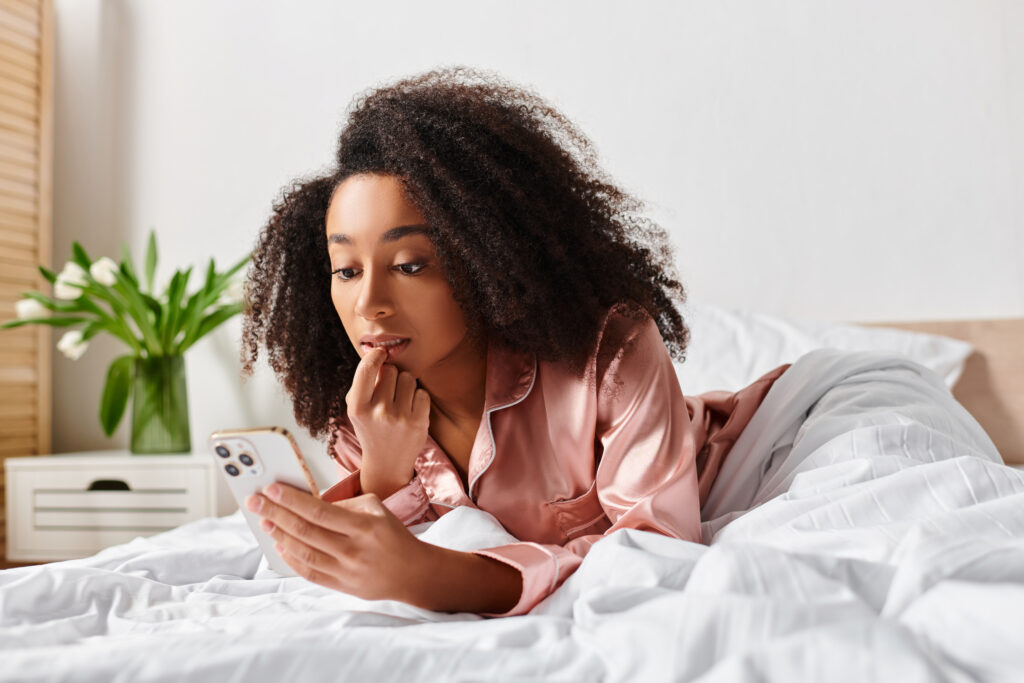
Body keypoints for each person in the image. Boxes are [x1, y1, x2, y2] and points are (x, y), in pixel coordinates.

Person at [239, 66, 789, 617]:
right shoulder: (365, 409)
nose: (368, 304)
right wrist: (384, 472)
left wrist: (439, 578)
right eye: (346, 270)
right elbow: (382, 561)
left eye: (409, 265)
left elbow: (657, 552)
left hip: (759, 446)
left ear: (484, 257)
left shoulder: (612, 353)